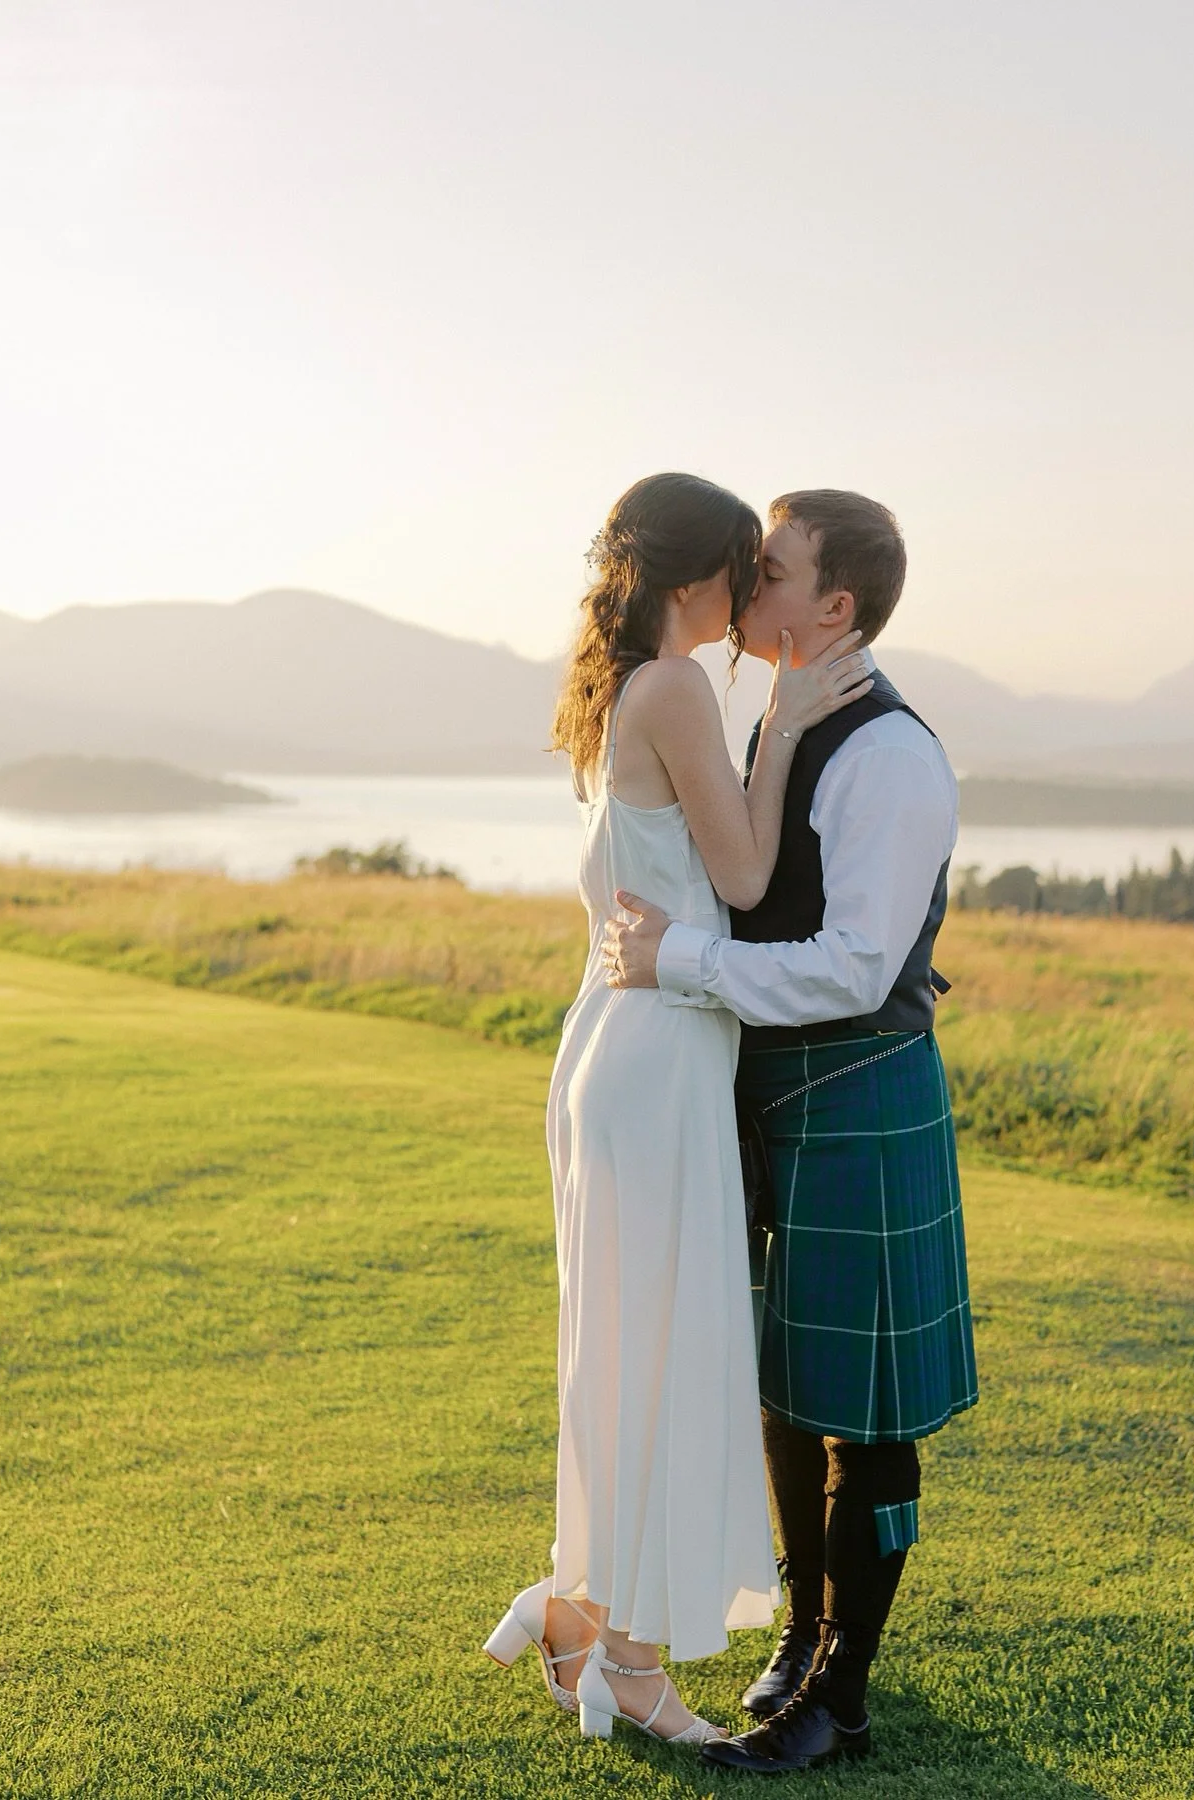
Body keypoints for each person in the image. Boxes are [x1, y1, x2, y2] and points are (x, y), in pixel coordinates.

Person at [483, 472, 872, 1746]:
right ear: (701, 579)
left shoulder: (609, 686)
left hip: (613, 1042)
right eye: (747, 571)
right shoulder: (679, 688)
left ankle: (582, 1615)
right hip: (660, 1053)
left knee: (617, 1343)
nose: (755, 594)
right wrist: (788, 718)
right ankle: (633, 1663)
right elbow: (748, 873)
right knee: (660, 1349)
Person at [604, 488, 979, 1774]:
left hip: (861, 1092)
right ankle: (801, 1635)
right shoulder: (781, 712)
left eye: (770, 571)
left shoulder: (890, 754)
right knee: (783, 1389)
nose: (744, 586)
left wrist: (686, 961)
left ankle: (846, 1693)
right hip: (771, 1096)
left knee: (865, 1416)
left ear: (833, 606)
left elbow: (856, 966)